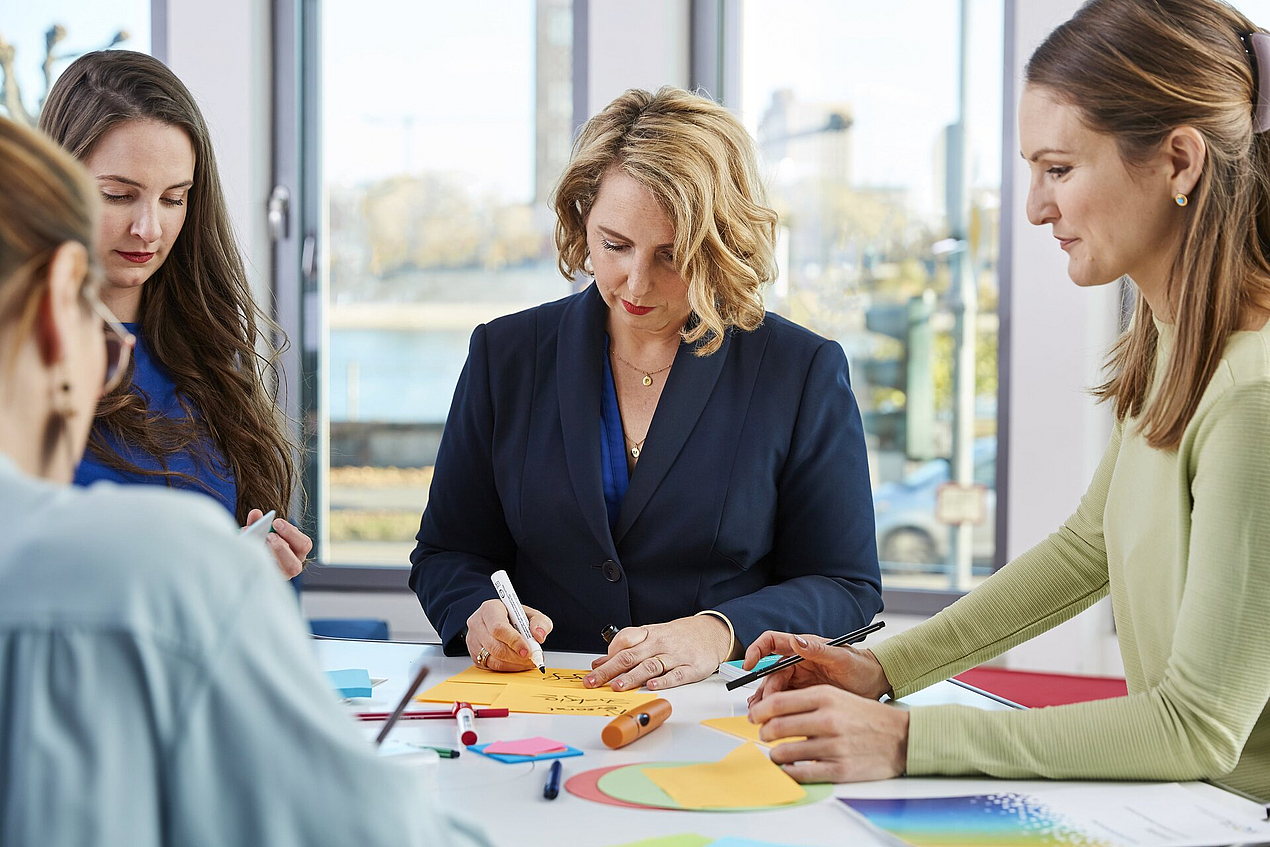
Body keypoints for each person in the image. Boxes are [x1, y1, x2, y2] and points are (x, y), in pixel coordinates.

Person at [743, 0, 1270, 801]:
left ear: (1180, 162)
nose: (1034, 207)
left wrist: (908, 737)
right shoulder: (1173, 345)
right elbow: (1087, 549)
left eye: (1058, 169)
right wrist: (882, 666)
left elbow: (1196, 723)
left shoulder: (1254, 395)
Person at [0, 115, 486, 847]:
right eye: (96, 335)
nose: (146, 228)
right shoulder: (155, 570)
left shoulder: (206, 379)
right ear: (59, 297)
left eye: (174, 198)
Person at [410, 86, 882, 692]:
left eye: (671, 255)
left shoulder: (800, 369)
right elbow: (447, 552)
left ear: (720, 246)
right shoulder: (505, 355)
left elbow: (846, 586)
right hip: (541, 706)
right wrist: (475, 613)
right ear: (584, 219)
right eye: (614, 245)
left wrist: (720, 631)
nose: (635, 282)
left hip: (720, 713)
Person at [37, 50, 311, 578]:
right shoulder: (19, 357)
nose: (149, 228)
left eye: (173, 198)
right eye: (118, 196)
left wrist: (252, 573)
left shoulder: (205, 355)